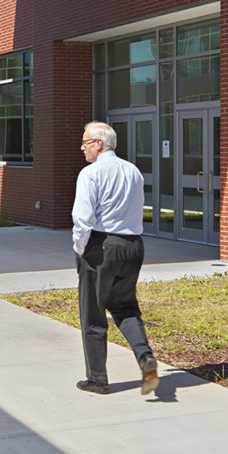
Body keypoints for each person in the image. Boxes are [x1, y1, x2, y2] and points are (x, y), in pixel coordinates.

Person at [72, 120, 159, 397]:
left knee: (93, 313)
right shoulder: (132, 170)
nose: (82, 148)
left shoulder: (90, 173)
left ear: (99, 143)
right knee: (125, 307)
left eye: (85, 142)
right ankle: (145, 357)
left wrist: (80, 249)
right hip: (133, 245)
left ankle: (97, 379)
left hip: (102, 245)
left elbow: (83, 219)